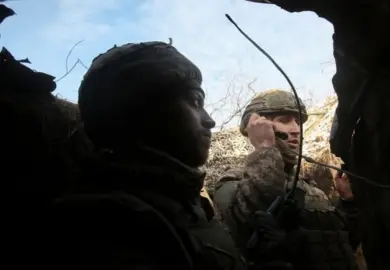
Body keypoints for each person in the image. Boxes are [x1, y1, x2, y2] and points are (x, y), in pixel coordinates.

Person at [45, 41, 247, 270]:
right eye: (195, 101)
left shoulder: (177, 204)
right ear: (142, 109)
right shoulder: (107, 224)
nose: (210, 120)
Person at [214, 89, 359, 270]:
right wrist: (265, 147)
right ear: (257, 126)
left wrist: (348, 202)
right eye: (284, 120)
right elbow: (251, 223)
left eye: (298, 122)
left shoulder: (313, 190)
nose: (296, 129)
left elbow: (339, 244)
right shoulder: (233, 182)